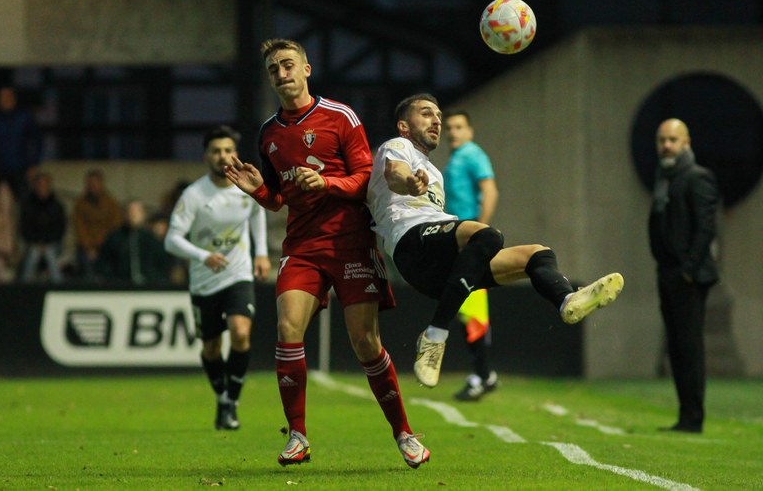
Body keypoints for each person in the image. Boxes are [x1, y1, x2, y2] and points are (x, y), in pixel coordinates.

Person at [224, 38, 430, 469]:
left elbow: (363, 180)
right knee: (286, 327)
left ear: (306, 69)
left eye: (288, 65)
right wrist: (258, 189)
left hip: (350, 240)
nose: (281, 74)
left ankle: (404, 434)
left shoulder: (340, 117)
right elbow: (280, 200)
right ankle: (297, 435)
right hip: (302, 246)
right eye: (274, 69)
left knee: (365, 342)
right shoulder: (269, 133)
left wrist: (328, 184)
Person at [367, 93, 624, 388]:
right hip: (412, 244)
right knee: (488, 237)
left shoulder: (436, 170)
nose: (436, 120)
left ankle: (566, 299)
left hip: (441, 263)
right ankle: (435, 335)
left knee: (537, 254)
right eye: (426, 114)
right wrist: (409, 183)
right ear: (403, 125)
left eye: (438, 115)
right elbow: (394, 174)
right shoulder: (397, 145)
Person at [164, 125, 271, 430]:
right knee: (211, 348)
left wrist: (261, 253)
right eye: (215, 151)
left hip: (238, 274)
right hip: (204, 280)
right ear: (206, 156)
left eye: (227, 150)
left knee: (240, 333)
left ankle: (232, 403)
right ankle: (222, 397)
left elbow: (257, 213)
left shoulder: (245, 185)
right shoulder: (194, 195)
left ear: (234, 154)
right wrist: (202, 256)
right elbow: (172, 240)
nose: (222, 155)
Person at [649, 118, 719, 434]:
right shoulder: (665, 178)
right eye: (662, 139)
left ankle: (693, 418)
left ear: (686, 143)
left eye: (673, 139)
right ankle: (686, 416)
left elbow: (706, 228)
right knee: (676, 346)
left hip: (687, 276)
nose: (666, 145)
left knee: (689, 346)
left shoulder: (696, 177)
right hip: (668, 273)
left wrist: (689, 270)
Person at [443, 111, 500, 401]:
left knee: (473, 311)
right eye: (449, 128)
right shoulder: (455, 159)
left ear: (470, 131)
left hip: (469, 242)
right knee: (466, 310)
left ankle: (483, 374)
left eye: (458, 127)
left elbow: (489, 190)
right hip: (459, 242)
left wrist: (480, 233)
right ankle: (483, 373)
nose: (452, 132)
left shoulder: (472, 154)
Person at [0, 86, 43, 201]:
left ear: (14, 98)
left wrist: (34, 163)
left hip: (20, 168)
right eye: (2, 97)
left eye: (8, 97)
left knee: (24, 201)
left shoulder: (24, 117)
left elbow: (37, 140)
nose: (5, 100)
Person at [97, 200, 173, 285]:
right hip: (121, 287)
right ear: (124, 214)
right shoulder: (114, 238)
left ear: (144, 215)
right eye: (130, 212)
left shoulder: (152, 239)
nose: (133, 215)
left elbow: (164, 263)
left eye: (137, 212)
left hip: (150, 287)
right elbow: (104, 263)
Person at [72, 169, 123, 280]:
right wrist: (89, 247)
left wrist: (103, 245)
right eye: (90, 183)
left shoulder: (111, 203)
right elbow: (80, 228)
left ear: (101, 184)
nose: (93, 186)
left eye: (96, 183)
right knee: (86, 265)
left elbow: (115, 226)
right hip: (87, 247)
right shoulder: (80, 204)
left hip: (106, 245)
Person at [19, 171, 67, 283]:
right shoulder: (28, 206)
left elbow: (60, 229)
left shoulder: (57, 206)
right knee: (34, 253)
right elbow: (25, 228)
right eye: (40, 184)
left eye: (45, 184)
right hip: (33, 243)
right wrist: (37, 241)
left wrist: (46, 242)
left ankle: (58, 287)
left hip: (53, 243)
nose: (42, 187)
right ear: (35, 186)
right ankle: (24, 288)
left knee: (49, 252)